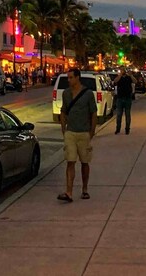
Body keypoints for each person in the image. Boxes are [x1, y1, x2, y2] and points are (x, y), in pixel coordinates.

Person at [58, 67, 97, 203]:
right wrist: (64, 129)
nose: (69, 80)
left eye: (71, 77)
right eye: (68, 78)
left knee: (85, 162)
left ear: (77, 77)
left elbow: (93, 113)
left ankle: (84, 189)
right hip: (71, 132)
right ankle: (69, 192)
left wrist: (92, 131)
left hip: (84, 132)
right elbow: (63, 111)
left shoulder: (88, 94)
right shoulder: (66, 94)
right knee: (70, 161)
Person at [113, 68, 135, 135]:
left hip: (128, 98)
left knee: (127, 114)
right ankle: (118, 129)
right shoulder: (119, 77)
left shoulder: (129, 77)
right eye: (122, 70)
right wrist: (120, 75)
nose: (123, 71)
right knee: (119, 114)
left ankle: (127, 129)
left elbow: (135, 81)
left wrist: (131, 75)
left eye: (124, 70)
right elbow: (115, 81)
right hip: (120, 98)